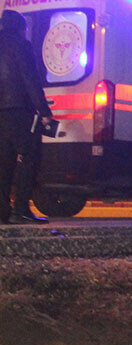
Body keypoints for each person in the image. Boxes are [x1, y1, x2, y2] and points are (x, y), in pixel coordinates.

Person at [0, 10, 52, 225]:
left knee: (4, 163)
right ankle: (21, 208)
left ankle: (3, 211)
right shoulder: (22, 45)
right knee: (31, 157)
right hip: (20, 110)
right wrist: (44, 111)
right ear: (21, 28)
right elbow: (30, 79)